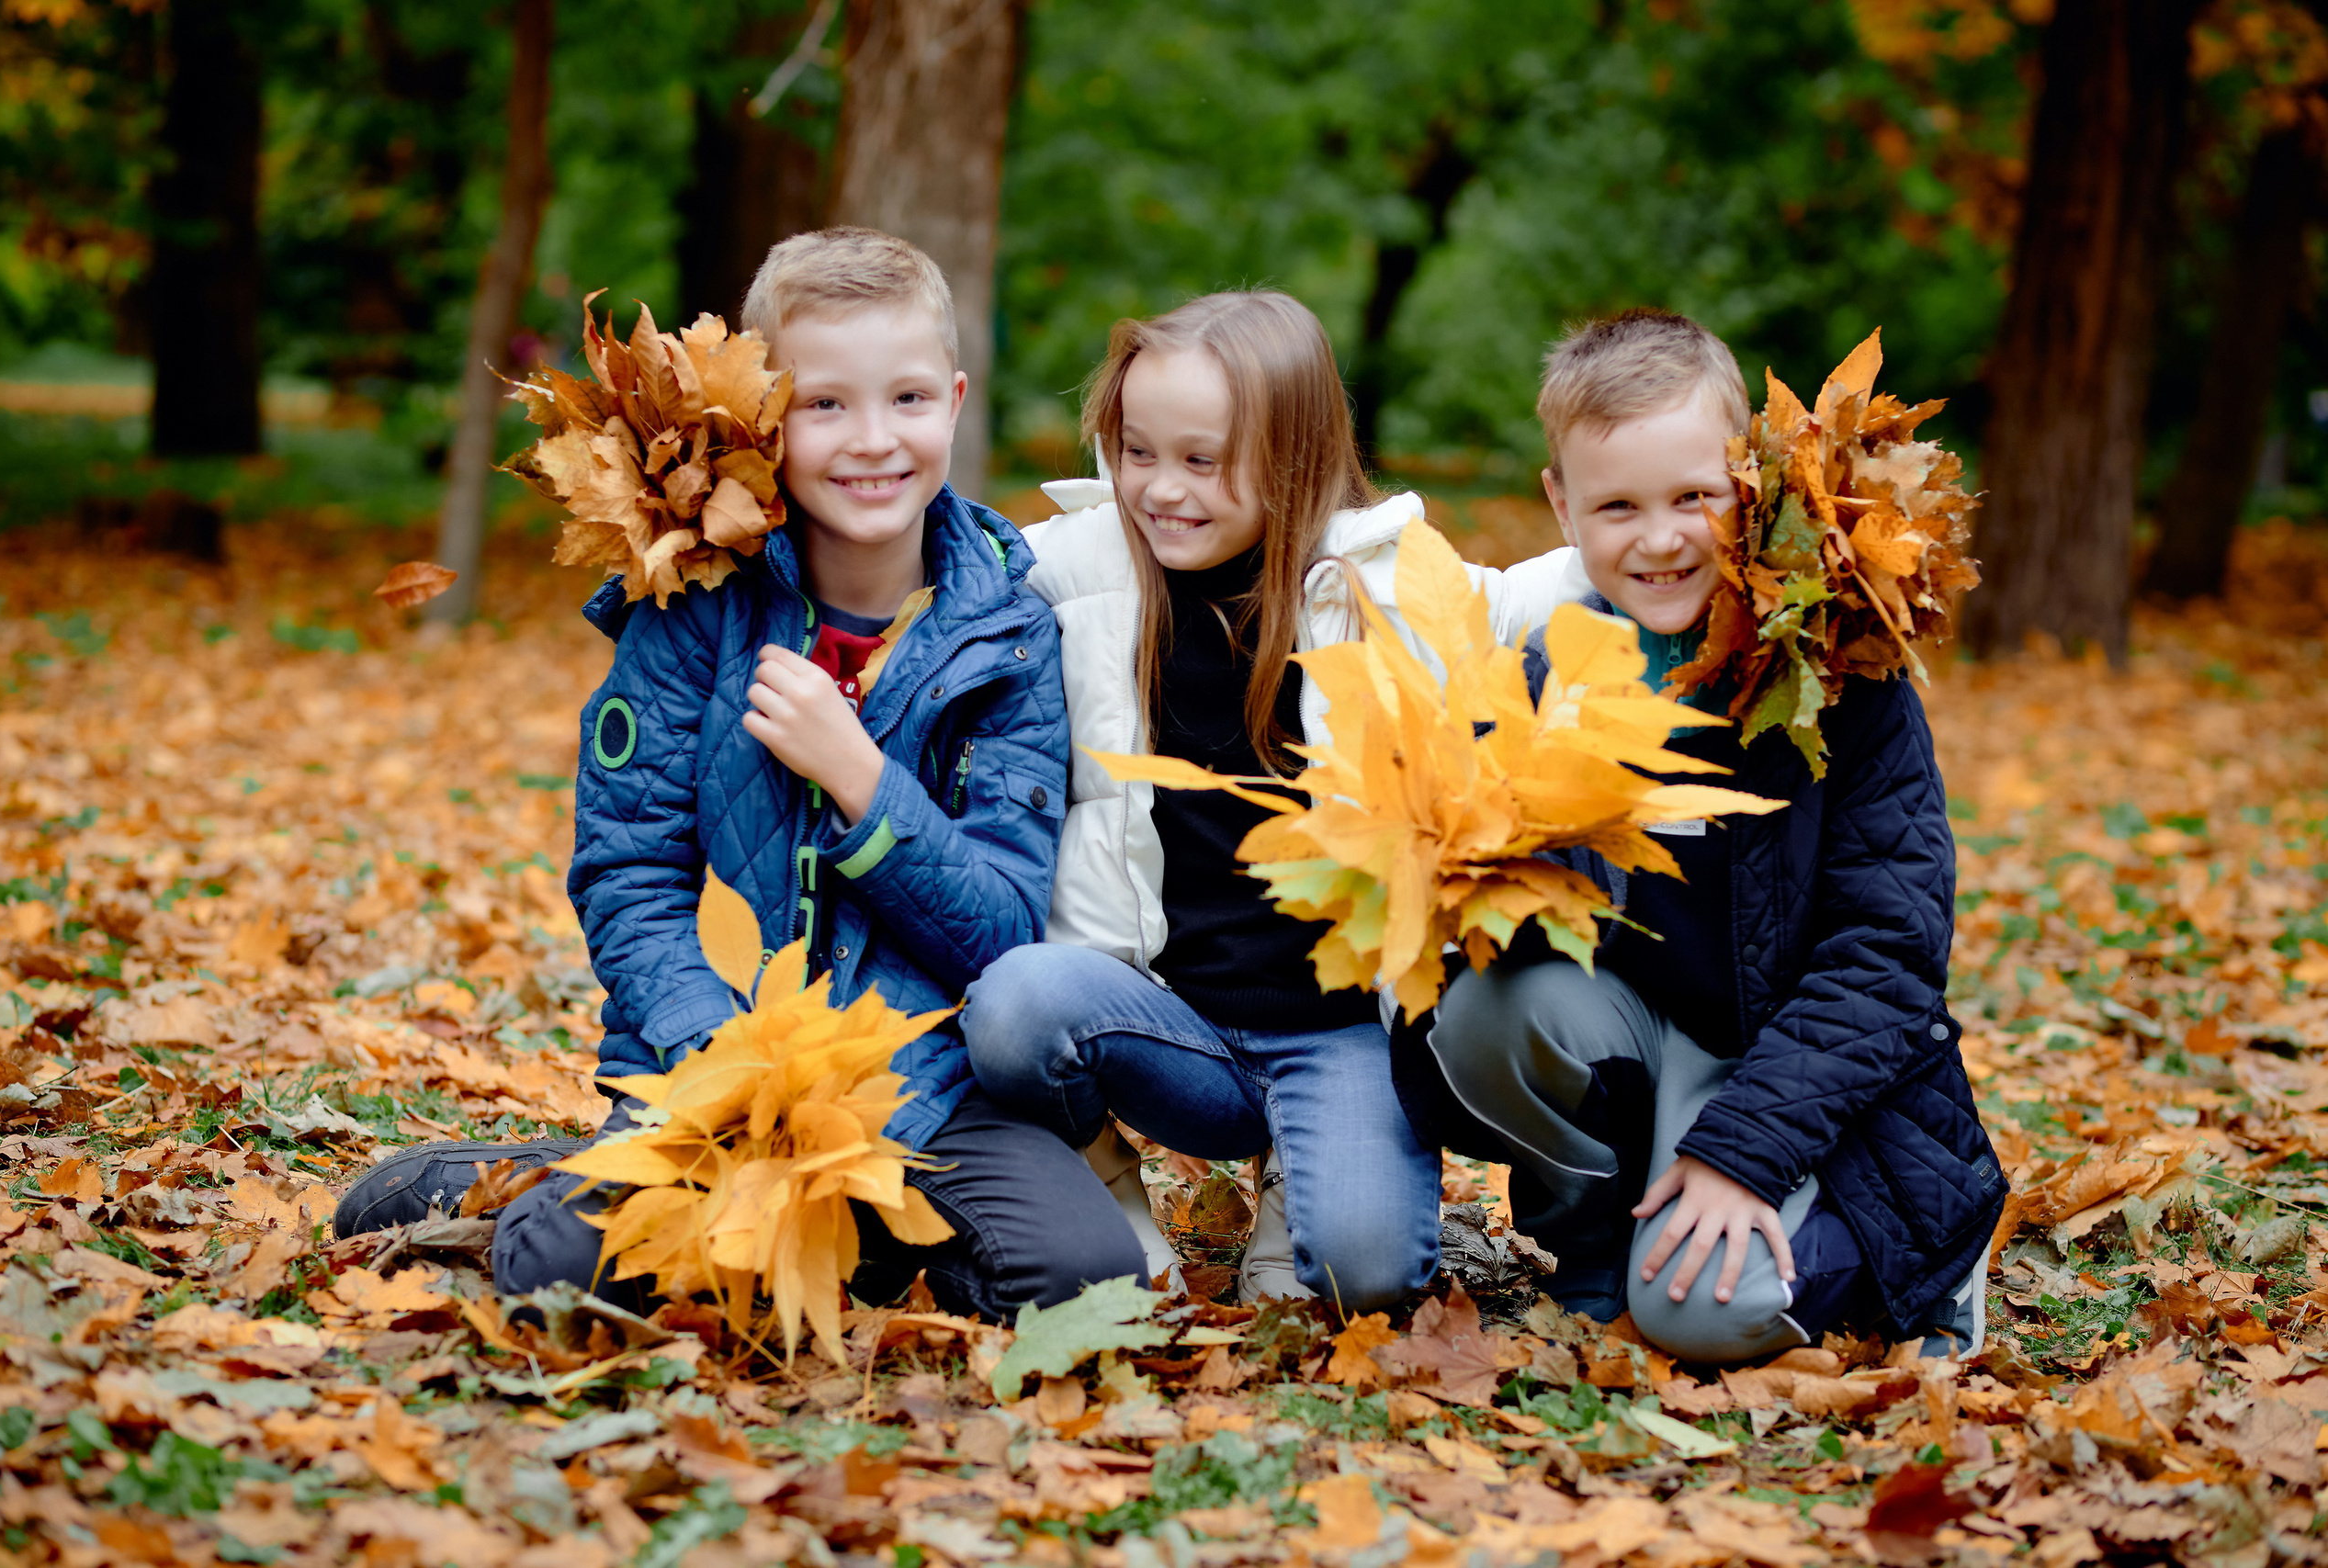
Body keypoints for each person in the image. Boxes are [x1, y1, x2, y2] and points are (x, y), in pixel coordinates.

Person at [335, 227, 1145, 1319]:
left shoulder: (1008, 634)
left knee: (1081, 1281)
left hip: (933, 1086)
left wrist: (862, 781)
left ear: (954, 401)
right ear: (762, 422)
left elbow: (1002, 930)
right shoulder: (693, 607)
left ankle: (852, 1238)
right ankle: (513, 1183)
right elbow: (628, 873)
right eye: (824, 406)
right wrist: (723, 1062)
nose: (873, 441)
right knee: (583, 1279)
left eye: (907, 400)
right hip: (711, 1063)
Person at [962, 290, 1591, 1311]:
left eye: (1201, 460)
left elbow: (1547, 588)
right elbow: (941, 563)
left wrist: (1708, 525)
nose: (1161, 490)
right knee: (1017, 1004)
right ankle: (1107, 1196)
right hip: (1165, 1019)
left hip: (1338, 1030)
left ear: (1294, 456)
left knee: (1366, 1275)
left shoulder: (1377, 580)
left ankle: (1306, 1172)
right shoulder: (1084, 569)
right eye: (1136, 451)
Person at [1395, 309, 2003, 1362]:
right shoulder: (1545, 676)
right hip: (1643, 1034)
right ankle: (1596, 1251)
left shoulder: (1839, 671)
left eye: (1693, 496)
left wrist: (1743, 1152)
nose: (1662, 535)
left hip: (1804, 1065)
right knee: (1489, 1014)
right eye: (1618, 506)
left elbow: (1887, 956)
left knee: (1703, 1316)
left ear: (1751, 481)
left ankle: (1924, 1254)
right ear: (1561, 506)